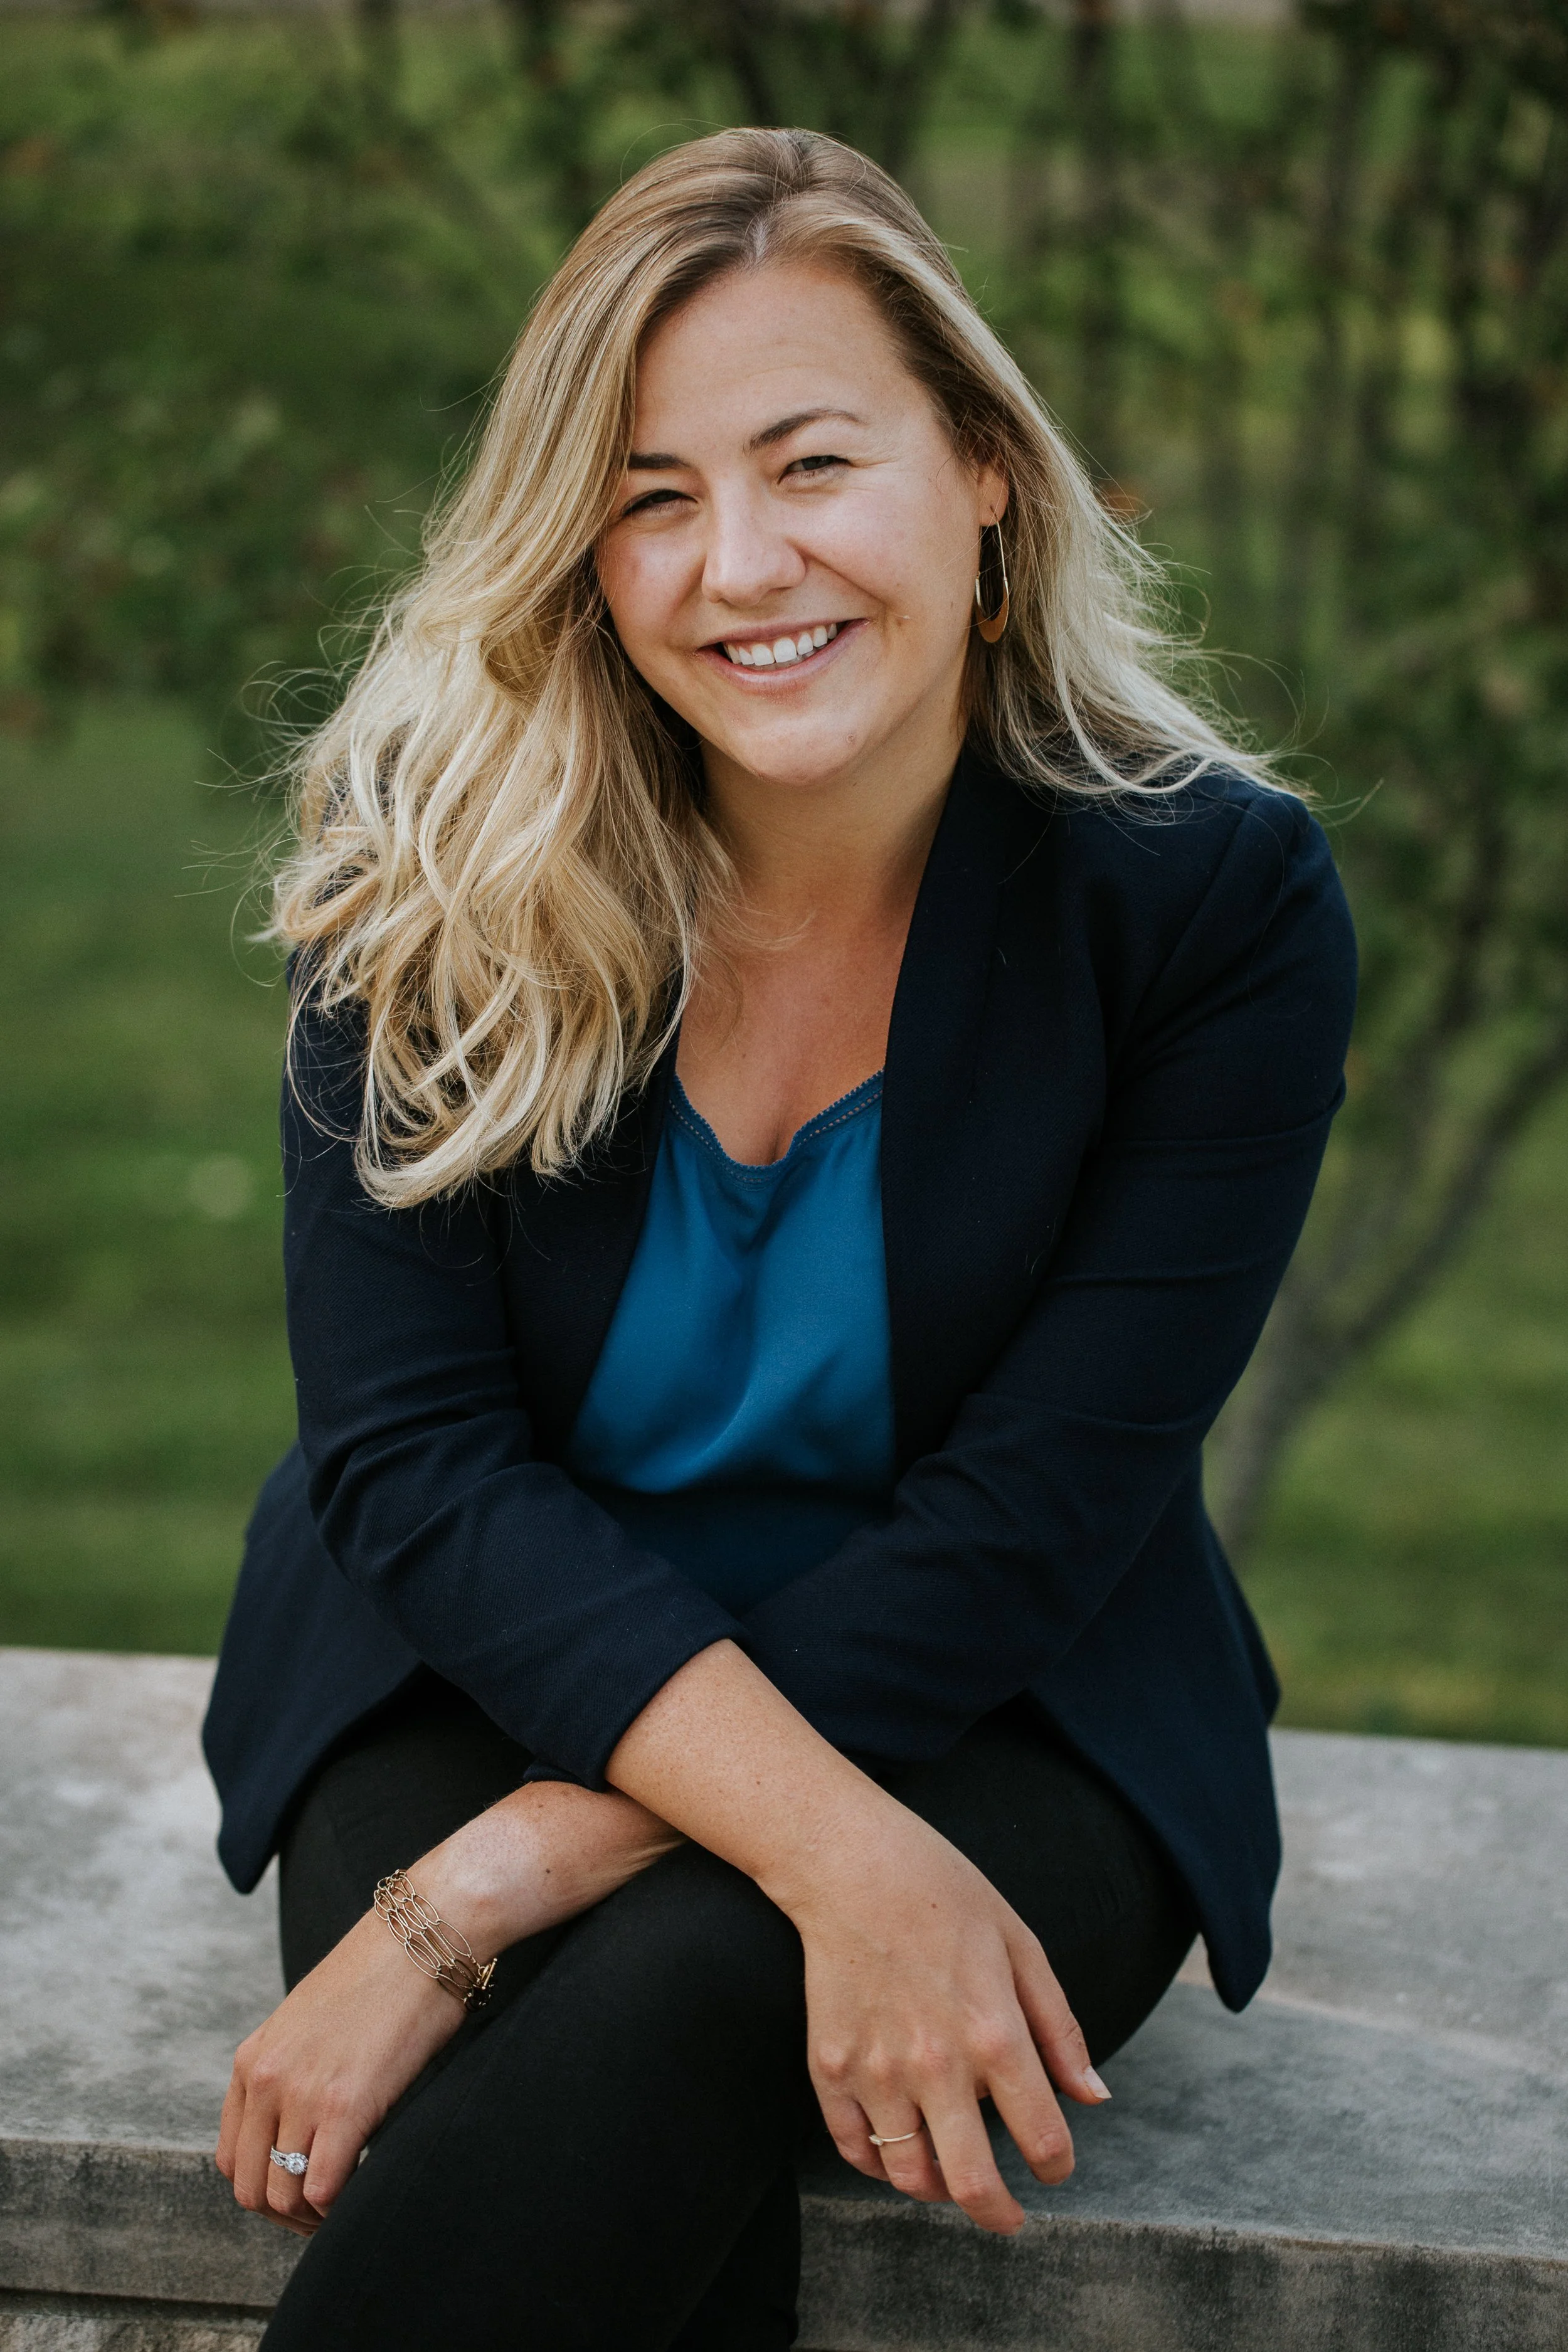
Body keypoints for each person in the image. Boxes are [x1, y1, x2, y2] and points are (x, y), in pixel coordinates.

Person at [203, 126, 1356, 2351]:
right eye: (649, 495)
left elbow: (1038, 1508)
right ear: (577, 547)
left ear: (984, 471)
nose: (740, 564)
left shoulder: (1207, 902)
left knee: (680, 1991)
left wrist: (510, 1873)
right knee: (621, 2082)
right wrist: (784, 1841)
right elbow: (417, 1462)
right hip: (477, 1654)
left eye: (813, 462)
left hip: (997, 1688)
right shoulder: (431, 864)